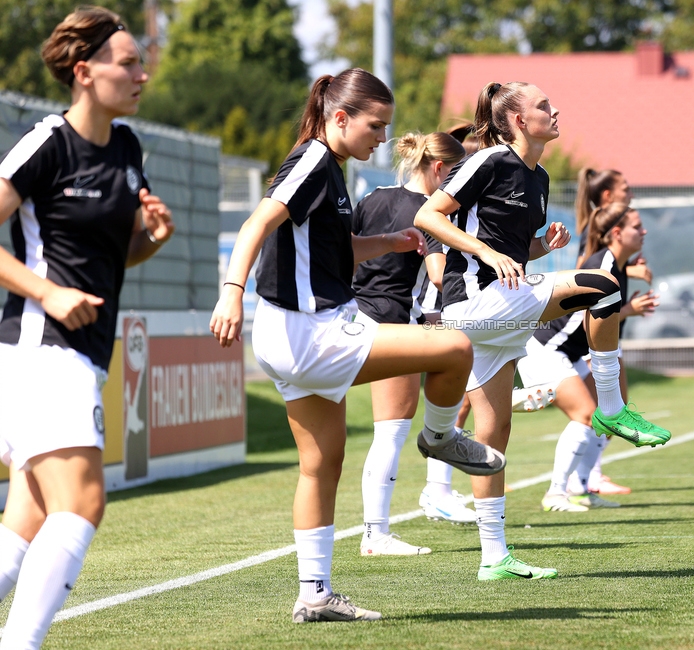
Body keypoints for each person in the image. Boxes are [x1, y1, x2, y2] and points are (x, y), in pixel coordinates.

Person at [209, 69, 505, 623]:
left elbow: (326, 251)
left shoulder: (327, 167)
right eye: (375, 125)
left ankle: (315, 594)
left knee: (322, 464)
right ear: (339, 117)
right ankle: (440, 438)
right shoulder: (313, 160)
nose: (383, 137)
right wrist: (231, 293)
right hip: (311, 330)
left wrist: (388, 242)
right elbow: (256, 224)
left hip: (288, 334)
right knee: (454, 348)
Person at [414, 81, 670, 581]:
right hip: (474, 304)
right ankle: (613, 408)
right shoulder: (487, 162)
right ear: (516, 121)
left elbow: (508, 246)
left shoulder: (542, 176)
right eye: (544, 107)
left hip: (502, 310)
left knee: (492, 443)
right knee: (602, 283)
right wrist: (486, 254)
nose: (556, 111)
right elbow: (428, 215)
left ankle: (494, 558)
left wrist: (538, 247)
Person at [0, 8, 175, 648]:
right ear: (84, 72)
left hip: (83, 352)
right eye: (128, 63)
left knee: (28, 519)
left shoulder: (127, 147)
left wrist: (151, 237)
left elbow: (118, 254)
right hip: (38, 347)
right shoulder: (48, 141)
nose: (141, 73)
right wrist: (48, 292)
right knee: (82, 502)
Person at [353, 130, 478, 557]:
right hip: (391, 319)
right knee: (391, 430)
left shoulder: (372, 198)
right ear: (440, 169)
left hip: (351, 314)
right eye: (458, 176)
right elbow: (441, 275)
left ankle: (377, 529)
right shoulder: (429, 213)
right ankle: (375, 533)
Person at [519, 203, 659, 512]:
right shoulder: (602, 264)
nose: (644, 231)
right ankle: (556, 494)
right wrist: (629, 312)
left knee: (605, 419)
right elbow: (589, 316)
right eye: (637, 226)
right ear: (618, 233)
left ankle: (580, 489)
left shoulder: (618, 266)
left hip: (568, 352)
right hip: (546, 349)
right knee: (586, 414)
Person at [572, 168, 654, 496]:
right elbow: (582, 292)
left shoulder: (616, 255)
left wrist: (629, 269)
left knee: (612, 408)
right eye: (626, 188)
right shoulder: (600, 253)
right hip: (579, 343)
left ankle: (588, 476)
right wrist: (629, 309)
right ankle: (581, 480)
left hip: (603, 339)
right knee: (596, 412)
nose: (631, 193)